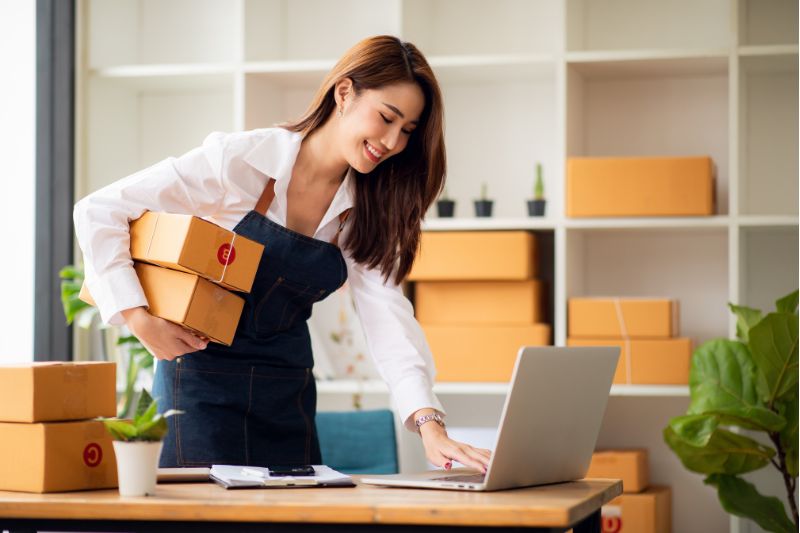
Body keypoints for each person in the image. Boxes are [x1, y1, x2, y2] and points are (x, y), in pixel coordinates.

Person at [74, 35, 491, 473]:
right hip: (199, 388)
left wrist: (430, 425)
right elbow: (99, 210)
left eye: (407, 130)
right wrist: (137, 317)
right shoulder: (242, 160)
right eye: (387, 118)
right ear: (344, 93)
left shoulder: (366, 209)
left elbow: (387, 317)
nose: (391, 141)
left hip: (285, 395)